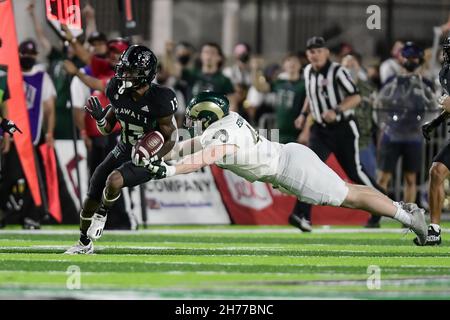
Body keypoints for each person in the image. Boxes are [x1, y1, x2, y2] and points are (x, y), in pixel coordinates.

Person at [138, 92, 427, 246]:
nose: (191, 122)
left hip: (290, 170)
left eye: (194, 117)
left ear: (207, 116)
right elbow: (189, 146)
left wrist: (169, 171)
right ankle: (403, 209)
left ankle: (408, 217)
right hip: (289, 157)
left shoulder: (223, 136)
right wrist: (159, 153)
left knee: (351, 197)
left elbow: (203, 157)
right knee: (350, 191)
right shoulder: (225, 122)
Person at [64, 45, 179, 254]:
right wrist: (100, 119)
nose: (124, 74)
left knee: (114, 180)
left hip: (149, 153)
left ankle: (102, 213)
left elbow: (171, 137)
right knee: (96, 182)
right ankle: (83, 242)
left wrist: (155, 159)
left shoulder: (161, 99)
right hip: (126, 145)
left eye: (131, 70)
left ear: (145, 74)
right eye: (124, 68)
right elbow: (107, 128)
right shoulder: (116, 88)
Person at [289, 37, 385, 231]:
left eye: (317, 51)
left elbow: (356, 96)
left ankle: (384, 204)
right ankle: (302, 216)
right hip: (320, 129)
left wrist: (337, 110)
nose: (313, 55)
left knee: (355, 173)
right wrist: (303, 114)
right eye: (310, 51)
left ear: (326, 53)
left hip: (343, 129)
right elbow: (311, 93)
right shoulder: (307, 71)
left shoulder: (338, 71)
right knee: (309, 169)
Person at [376, 43, 435, 226]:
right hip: (392, 134)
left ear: (419, 60)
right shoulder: (392, 82)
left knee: (410, 178)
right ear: (402, 59)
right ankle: (377, 213)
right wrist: (383, 127)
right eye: (407, 57)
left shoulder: (426, 83)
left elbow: (432, 106)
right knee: (383, 177)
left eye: (413, 58)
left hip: (412, 136)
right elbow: (380, 104)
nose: (410, 61)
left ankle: (408, 217)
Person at [420, 36, 450, 246]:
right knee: (436, 171)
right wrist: (435, 122)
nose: (446, 53)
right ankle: (434, 230)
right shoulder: (446, 72)